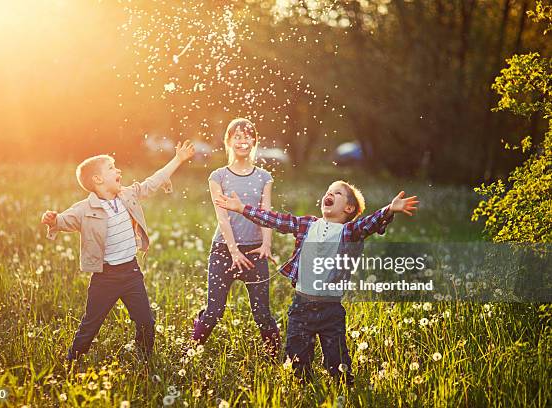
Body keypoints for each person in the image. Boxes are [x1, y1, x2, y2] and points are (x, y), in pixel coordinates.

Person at [214, 181, 419, 381]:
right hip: (301, 307)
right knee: (297, 363)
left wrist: (390, 209)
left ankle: (343, 391)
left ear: (349, 207)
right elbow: (275, 220)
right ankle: (302, 389)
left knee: (338, 364)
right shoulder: (307, 225)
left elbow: (369, 223)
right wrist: (242, 208)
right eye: (328, 191)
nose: (329, 194)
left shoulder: (349, 232)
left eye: (337, 193)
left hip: (331, 310)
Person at [41, 141, 195, 362]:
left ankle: (145, 359)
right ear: (97, 179)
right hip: (105, 277)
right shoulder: (85, 209)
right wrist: (53, 219)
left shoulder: (127, 195)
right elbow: (64, 221)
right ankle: (72, 359)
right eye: (112, 168)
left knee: (146, 321)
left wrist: (178, 159)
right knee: (91, 323)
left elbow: (153, 182)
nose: (118, 170)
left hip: (131, 273)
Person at [190, 118, 280, 358]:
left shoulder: (264, 177)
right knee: (214, 311)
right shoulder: (217, 176)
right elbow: (222, 217)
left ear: (254, 141)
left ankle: (277, 359)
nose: (243, 140)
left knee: (262, 313)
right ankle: (190, 351)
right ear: (228, 141)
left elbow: (266, 213)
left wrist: (266, 244)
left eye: (247, 136)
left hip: (255, 252)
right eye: (237, 136)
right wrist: (233, 251)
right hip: (223, 251)